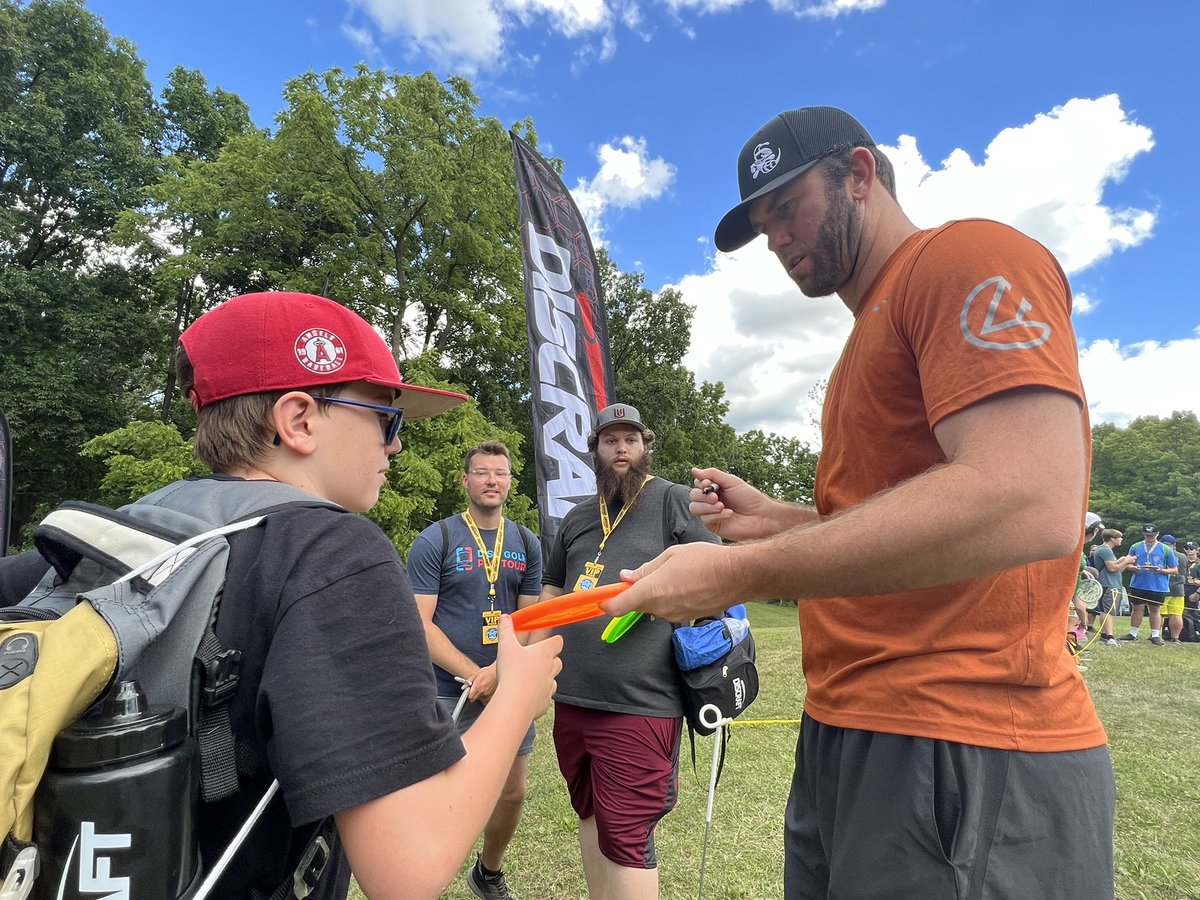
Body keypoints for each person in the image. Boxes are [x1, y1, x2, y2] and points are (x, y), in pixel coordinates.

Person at [602, 107, 1113, 898]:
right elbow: (912, 529)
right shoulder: (863, 338)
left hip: (960, 735)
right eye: (763, 228)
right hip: (849, 729)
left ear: (862, 176)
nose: (777, 240)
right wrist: (775, 522)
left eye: (787, 208)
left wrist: (736, 573)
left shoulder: (966, 256)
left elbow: (1029, 499)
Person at [0, 291, 563, 900]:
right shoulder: (336, 553)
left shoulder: (104, 537)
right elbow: (408, 867)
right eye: (386, 418)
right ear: (298, 421)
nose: (395, 445)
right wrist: (518, 695)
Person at [536, 403, 720, 900]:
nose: (622, 449)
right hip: (573, 699)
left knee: (628, 836)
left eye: (631, 440)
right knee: (590, 814)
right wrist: (528, 663)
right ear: (594, 450)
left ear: (645, 446)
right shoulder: (577, 517)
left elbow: (714, 578)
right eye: (611, 440)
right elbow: (552, 590)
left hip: (639, 703)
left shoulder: (673, 501)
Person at [407, 441, 542, 899]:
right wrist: (474, 674)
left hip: (505, 688)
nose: (491, 481)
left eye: (500, 473)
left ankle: (488, 872)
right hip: (447, 690)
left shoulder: (526, 542)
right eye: (482, 472)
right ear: (465, 480)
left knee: (512, 792)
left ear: (510, 482)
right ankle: (422, 880)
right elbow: (420, 624)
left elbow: (528, 621)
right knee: (440, 792)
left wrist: (501, 673)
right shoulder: (437, 539)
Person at [1122, 523, 1176, 645]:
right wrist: (1133, 568)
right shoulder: (1135, 546)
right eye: (1147, 535)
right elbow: (1128, 563)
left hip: (1158, 585)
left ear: (1158, 534)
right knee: (1137, 608)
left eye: (1152, 535)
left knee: (1155, 609)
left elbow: (1174, 569)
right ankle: (1133, 633)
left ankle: (1155, 635)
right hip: (1138, 583)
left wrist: (1161, 570)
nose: (1150, 538)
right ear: (1143, 534)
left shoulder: (1166, 549)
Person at [1092, 527, 1136, 646]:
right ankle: (1110, 637)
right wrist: (1126, 560)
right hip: (1109, 585)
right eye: (1119, 537)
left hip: (1113, 584)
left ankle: (1104, 635)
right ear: (1112, 539)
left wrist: (1126, 562)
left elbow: (1117, 570)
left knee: (1107, 611)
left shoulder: (1107, 551)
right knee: (1108, 612)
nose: (1121, 539)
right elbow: (1112, 568)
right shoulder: (1105, 550)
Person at [1159, 534, 1187, 643]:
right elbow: (1184, 573)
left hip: (1162, 588)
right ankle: (1175, 638)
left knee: (1159, 613)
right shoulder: (1182, 556)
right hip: (1178, 589)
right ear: (1174, 545)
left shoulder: (1160, 554)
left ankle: (1157, 635)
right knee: (1176, 614)